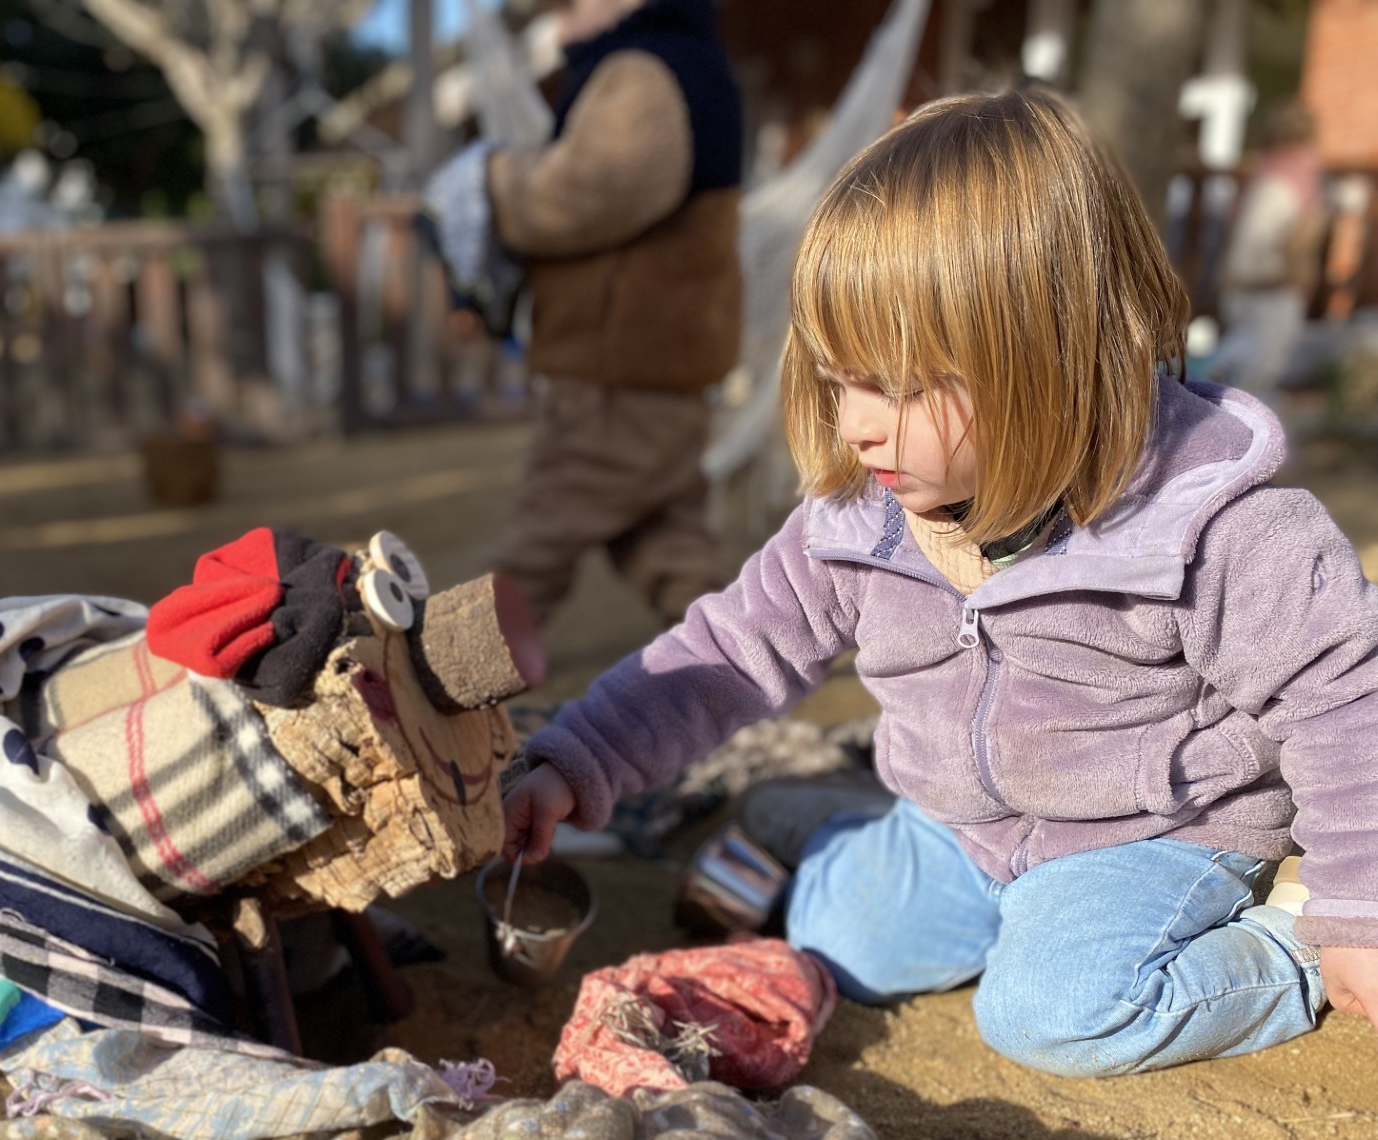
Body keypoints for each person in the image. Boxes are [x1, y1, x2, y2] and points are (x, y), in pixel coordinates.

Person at [503, 88, 1378, 1078]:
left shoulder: (1207, 524)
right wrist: (580, 757)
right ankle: (821, 825)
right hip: (959, 826)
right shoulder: (862, 518)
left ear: (1054, 360)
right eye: (840, 380)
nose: (856, 426)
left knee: (1054, 1011)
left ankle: (1287, 950)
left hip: (1149, 834)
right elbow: (728, 650)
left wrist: (1359, 907)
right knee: (838, 945)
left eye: (903, 386)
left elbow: (1346, 698)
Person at [485, 0, 743, 627]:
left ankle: (449, 675)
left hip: (614, 367)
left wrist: (497, 180)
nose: (561, 27)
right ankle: (726, 669)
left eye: (572, 7)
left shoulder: (641, 72)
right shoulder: (693, 63)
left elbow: (585, 195)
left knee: (536, 547)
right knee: (669, 548)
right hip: (669, 366)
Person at [1208, 101, 1328, 404]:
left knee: (1240, 368)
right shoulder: (1301, 176)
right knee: (1259, 374)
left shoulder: (1260, 175)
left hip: (1245, 286)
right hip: (1273, 289)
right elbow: (1301, 239)